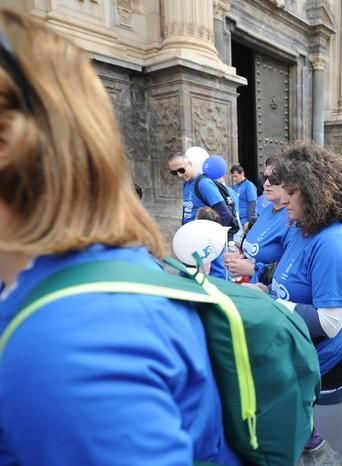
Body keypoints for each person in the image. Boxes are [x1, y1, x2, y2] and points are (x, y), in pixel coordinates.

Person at [0, 10, 240, 465]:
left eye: (177, 170)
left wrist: (220, 245)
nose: (174, 176)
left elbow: (225, 215)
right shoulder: (103, 269)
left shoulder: (68, 352)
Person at [258, 142, 342, 465]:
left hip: (333, 365)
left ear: (314, 191)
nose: (281, 199)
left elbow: (329, 322)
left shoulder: (333, 242)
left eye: (290, 191)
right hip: (305, 359)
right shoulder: (300, 227)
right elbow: (292, 287)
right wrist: (266, 291)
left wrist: (271, 303)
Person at [223, 160, 289, 286]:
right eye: (265, 177)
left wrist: (254, 269)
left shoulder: (293, 218)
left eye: (274, 178)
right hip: (256, 291)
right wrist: (241, 258)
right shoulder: (267, 208)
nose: (267, 184)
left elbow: (295, 270)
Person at [167, 152, 233, 227]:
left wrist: (210, 235)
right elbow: (188, 211)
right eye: (174, 172)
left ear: (190, 164)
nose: (179, 175)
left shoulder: (204, 183)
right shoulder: (186, 184)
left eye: (181, 170)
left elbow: (225, 214)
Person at [230, 163, 257, 229]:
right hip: (237, 220)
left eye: (236, 176)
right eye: (232, 177)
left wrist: (250, 222)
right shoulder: (234, 187)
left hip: (245, 221)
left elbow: (252, 203)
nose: (234, 179)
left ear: (242, 174)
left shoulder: (249, 185)